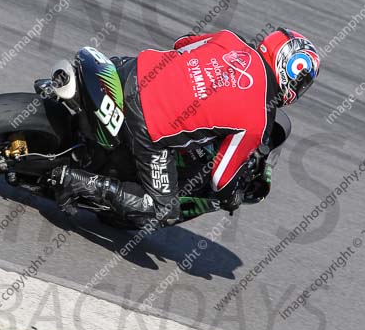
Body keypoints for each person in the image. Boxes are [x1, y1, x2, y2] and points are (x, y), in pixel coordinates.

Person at [50, 28, 320, 227]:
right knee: (162, 209)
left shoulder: (230, 39)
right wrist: (232, 197)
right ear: (292, 75)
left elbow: (182, 43)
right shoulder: (259, 118)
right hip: (146, 123)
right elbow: (221, 177)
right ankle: (76, 181)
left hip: (132, 70)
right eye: (303, 83)